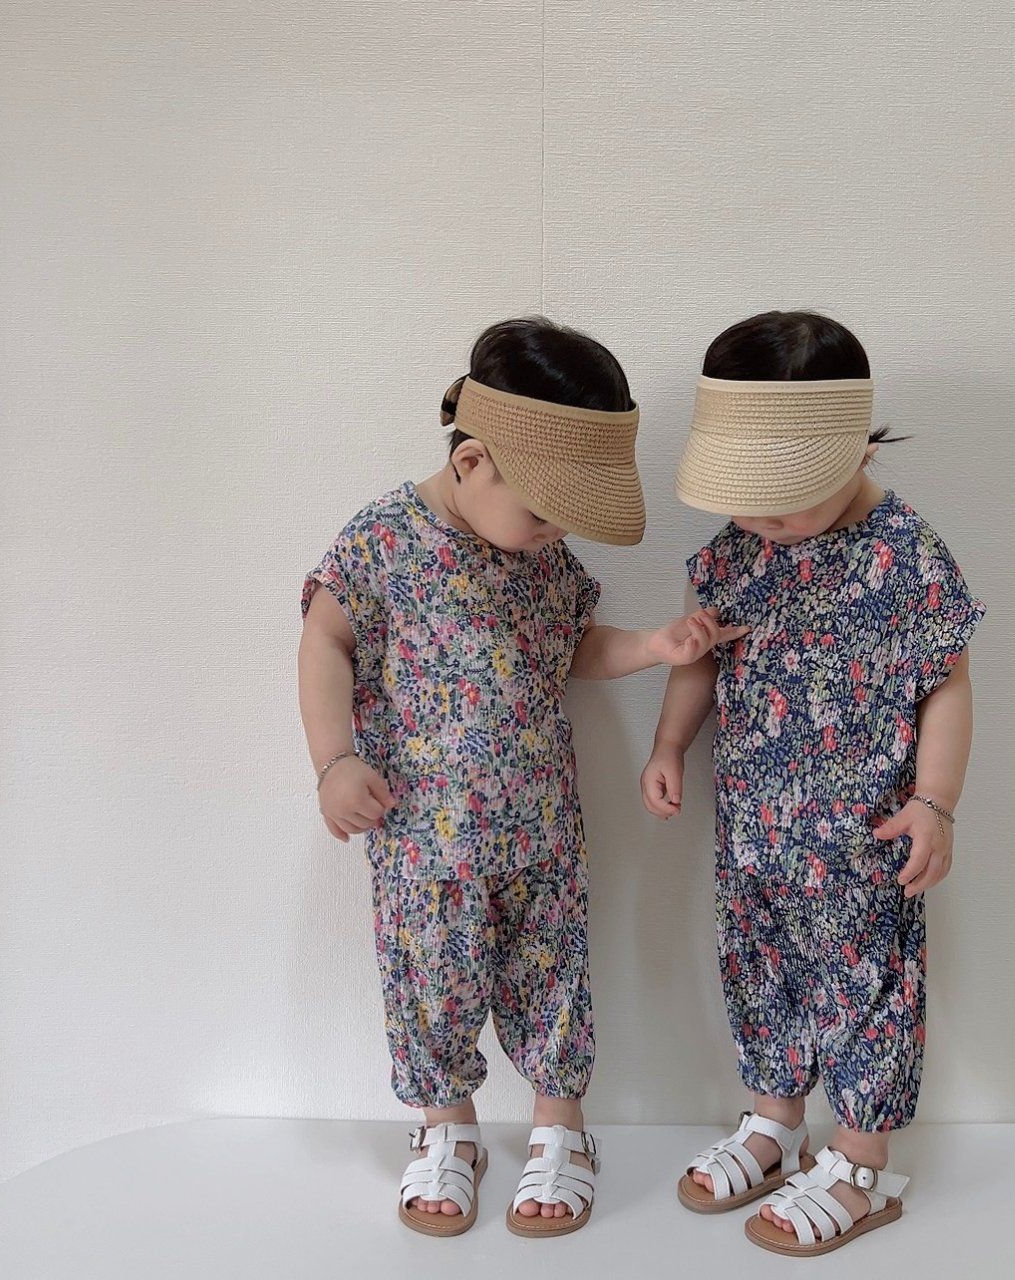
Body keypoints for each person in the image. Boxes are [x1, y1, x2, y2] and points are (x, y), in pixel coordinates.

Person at [299, 316, 746, 1238]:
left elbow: (571, 646)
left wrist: (654, 646)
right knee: (432, 978)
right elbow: (325, 640)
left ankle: (560, 1128)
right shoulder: (385, 540)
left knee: (553, 975)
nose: (554, 535)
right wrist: (333, 759)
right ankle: (447, 1129)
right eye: (544, 513)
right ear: (471, 463)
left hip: (540, 826)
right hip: (423, 835)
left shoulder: (541, 559)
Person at [641, 310, 985, 1257]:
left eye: (783, 504)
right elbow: (699, 655)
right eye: (746, 504)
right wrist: (669, 744)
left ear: (856, 448)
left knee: (868, 988)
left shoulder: (907, 556)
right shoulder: (736, 549)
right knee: (760, 971)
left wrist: (936, 802)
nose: (762, 525)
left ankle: (861, 1161)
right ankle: (773, 1119)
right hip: (753, 831)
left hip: (864, 839)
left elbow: (947, 684)